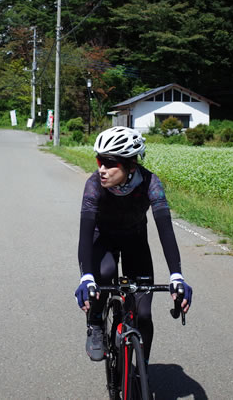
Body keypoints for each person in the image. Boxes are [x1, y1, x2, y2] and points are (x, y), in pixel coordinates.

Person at [75, 126, 192, 363]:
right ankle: (96, 323)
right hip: (103, 238)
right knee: (105, 272)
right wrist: (86, 277)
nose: (101, 170)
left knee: (144, 314)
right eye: (99, 161)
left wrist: (176, 276)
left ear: (130, 165)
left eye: (109, 163)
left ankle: (141, 374)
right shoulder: (94, 185)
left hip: (134, 240)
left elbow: (165, 230)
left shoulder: (151, 184)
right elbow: (85, 234)